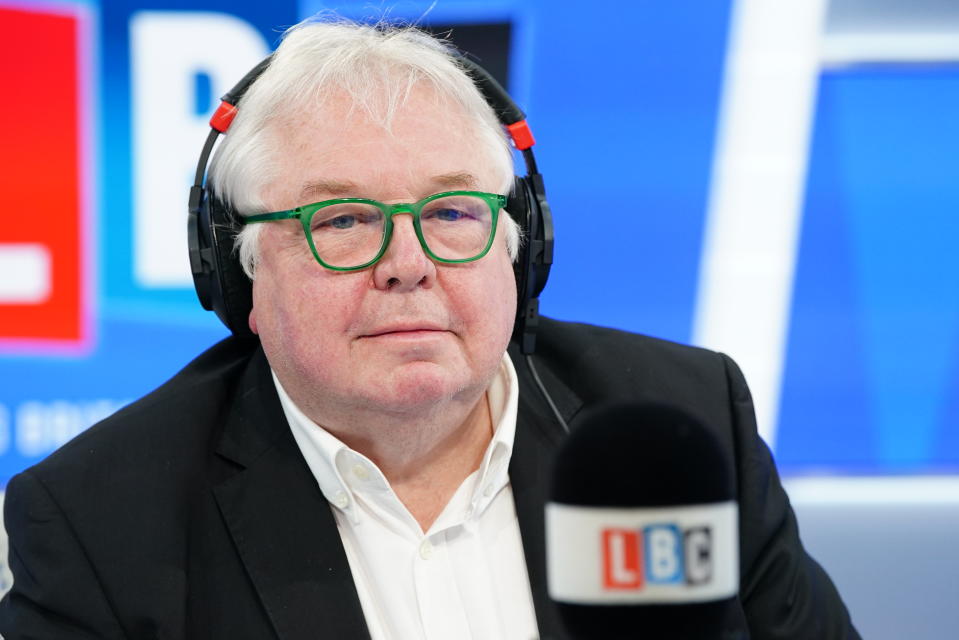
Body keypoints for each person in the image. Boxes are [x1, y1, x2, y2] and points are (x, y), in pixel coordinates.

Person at [0, 16, 859, 640]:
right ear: (241, 275)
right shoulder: (101, 519)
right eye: (341, 220)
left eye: (450, 210)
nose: (407, 261)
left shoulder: (677, 428)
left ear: (518, 249)